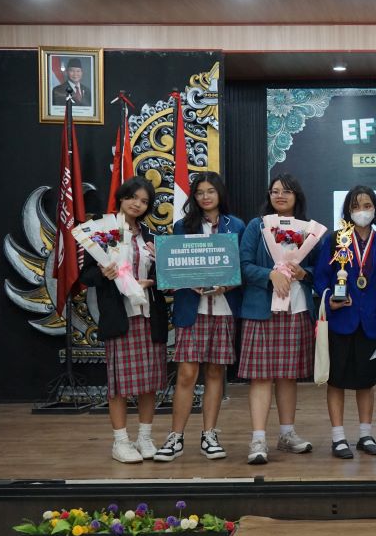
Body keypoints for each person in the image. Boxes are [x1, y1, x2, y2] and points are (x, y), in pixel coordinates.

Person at [154, 172, 245, 463]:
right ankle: (176, 436)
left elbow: (242, 267)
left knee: (216, 372)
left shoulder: (236, 226)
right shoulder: (183, 226)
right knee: (187, 373)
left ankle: (209, 435)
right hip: (191, 308)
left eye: (210, 191)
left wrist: (227, 285)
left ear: (220, 194)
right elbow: (172, 267)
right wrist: (185, 278)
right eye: (200, 192)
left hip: (223, 308)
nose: (206, 197)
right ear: (194, 197)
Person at [79, 177, 167, 463]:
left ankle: (145, 437)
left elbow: (167, 277)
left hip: (149, 315)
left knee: (149, 382)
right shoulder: (103, 231)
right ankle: (120, 442)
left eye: (144, 201)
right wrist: (102, 274)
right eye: (132, 197)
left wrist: (155, 278)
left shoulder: (151, 237)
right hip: (121, 316)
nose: (137, 204)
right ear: (121, 198)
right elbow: (86, 275)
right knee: (119, 384)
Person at [315, 186, 376, 458]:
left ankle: (365, 434)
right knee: (336, 381)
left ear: (375, 209)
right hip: (341, 320)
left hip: (372, 322)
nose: (362, 211)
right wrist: (329, 298)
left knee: (366, 382)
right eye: (355, 206)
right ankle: (338, 437)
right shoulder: (335, 240)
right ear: (347, 210)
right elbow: (320, 277)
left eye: (367, 205)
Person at [238, 174, 318, 465]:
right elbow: (243, 265)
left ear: (297, 196)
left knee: (288, 376)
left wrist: (304, 273)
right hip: (262, 310)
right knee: (261, 377)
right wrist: (269, 274)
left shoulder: (309, 230)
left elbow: (319, 269)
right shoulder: (256, 227)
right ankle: (258, 438)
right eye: (275, 191)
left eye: (286, 191)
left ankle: (287, 434)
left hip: (296, 309)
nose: (280, 195)